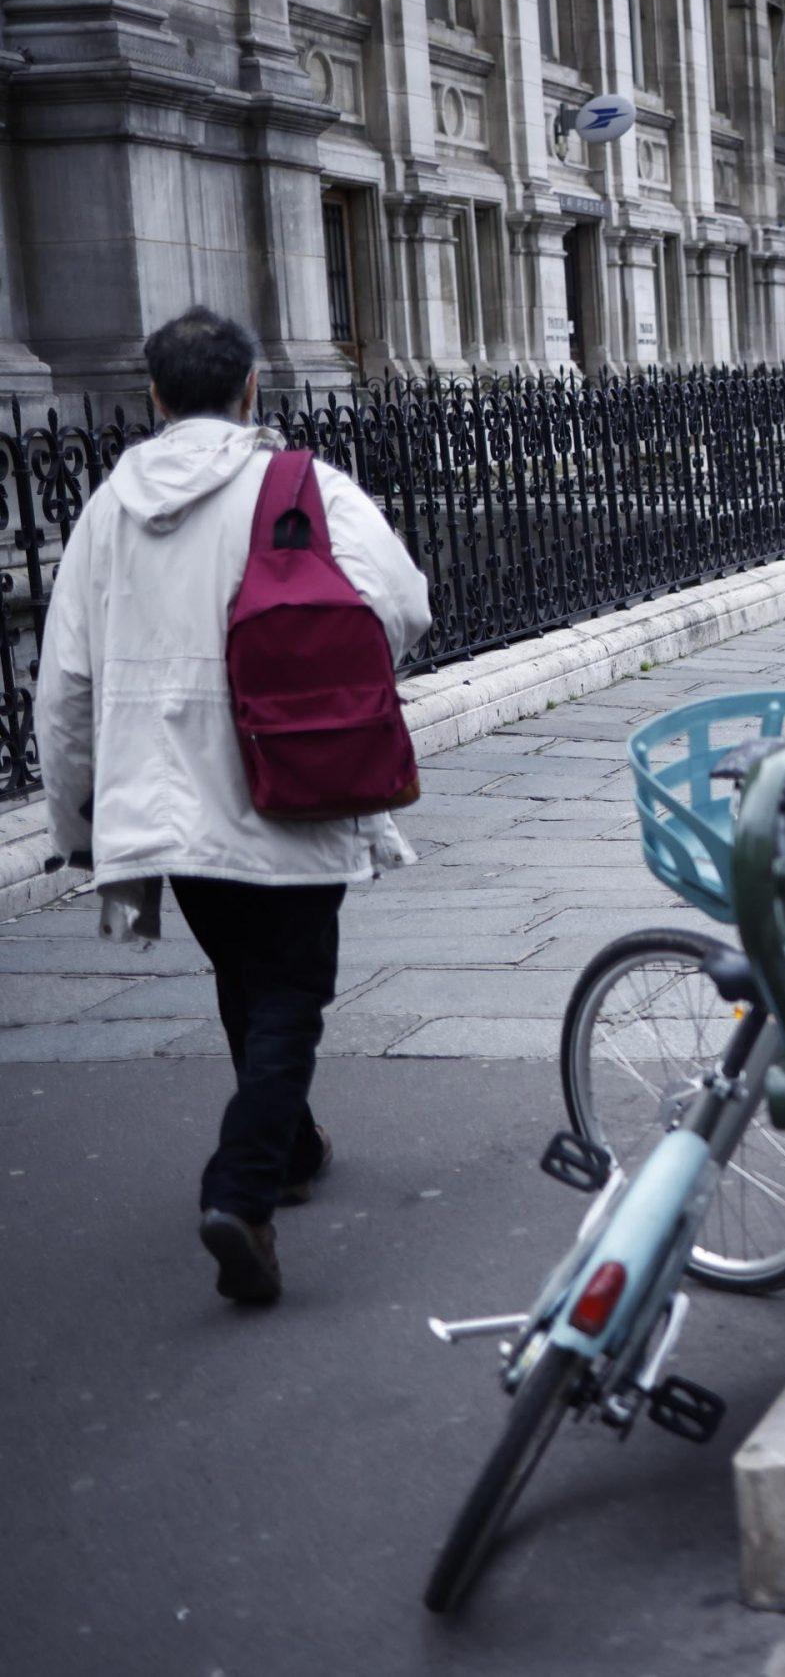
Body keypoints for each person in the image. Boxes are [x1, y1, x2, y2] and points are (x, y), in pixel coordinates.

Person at [34, 308, 432, 1305]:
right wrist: (332, 681)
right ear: (253, 388)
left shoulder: (104, 512)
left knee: (245, 974)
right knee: (292, 988)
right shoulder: (303, 487)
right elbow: (406, 605)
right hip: (290, 775)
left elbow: (65, 682)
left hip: (163, 803)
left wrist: (80, 824)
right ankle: (240, 1190)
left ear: (154, 397)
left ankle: (290, 1147)